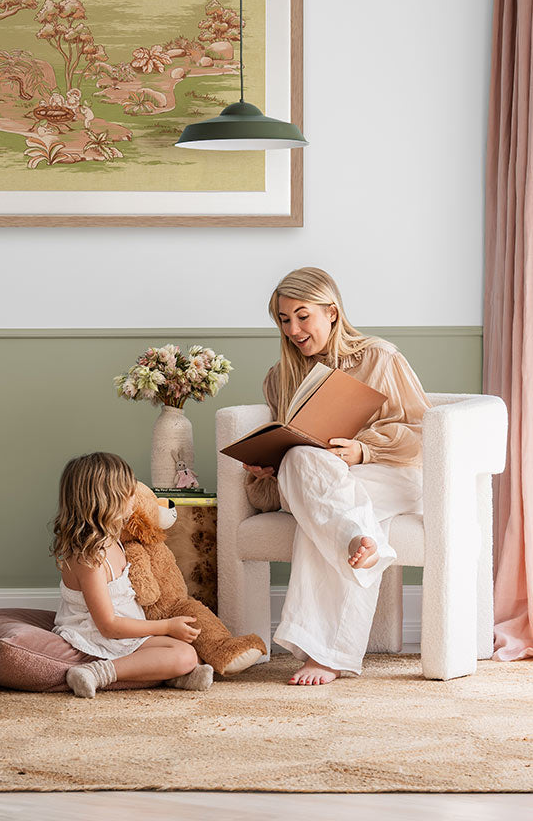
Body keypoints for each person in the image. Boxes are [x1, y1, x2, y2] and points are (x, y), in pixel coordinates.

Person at [244, 267, 431, 686]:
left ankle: (326, 650)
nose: (293, 328)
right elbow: (290, 450)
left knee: (321, 516)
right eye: (283, 319)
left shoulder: (380, 357)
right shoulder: (279, 379)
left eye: (302, 315)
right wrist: (265, 468)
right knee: (300, 461)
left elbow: (424, 434)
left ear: (331, 312)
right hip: (319, 482)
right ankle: (360, 542)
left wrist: (364, 449)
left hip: (389, 475)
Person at [52, 451, 214, 698]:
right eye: (129, 492)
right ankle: (98, 672)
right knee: (184, 655)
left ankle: (174, 676)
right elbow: (108, 625)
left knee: (190, 648)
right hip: (97, 638)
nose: (135, 496)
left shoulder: (114, 541)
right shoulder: (90, 558)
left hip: (124, 634)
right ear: (108, 501)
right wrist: (167, 626)